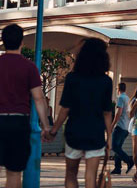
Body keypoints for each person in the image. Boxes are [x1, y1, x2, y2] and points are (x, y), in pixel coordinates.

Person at [50, 37, 113, 188]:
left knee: (71, 173)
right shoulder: (106, 81)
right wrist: (109, 136)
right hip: (95, 132)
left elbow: (65, 109)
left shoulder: (72, 78)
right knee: (90, 175)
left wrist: (53, 130)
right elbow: (107, 113)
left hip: (74, 131)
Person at [0, 23, 50, 188]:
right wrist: (46, 126)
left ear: (3, 41)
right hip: (18, 123)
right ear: (22, 42)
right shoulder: (29, 67)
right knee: (14, 173)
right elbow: (38, 98)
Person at [111, 82, 134, 176]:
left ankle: (129, 161)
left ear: (118, 89)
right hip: (126, 127)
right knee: (118, 147)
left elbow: (118, 113)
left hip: (120, 126)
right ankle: (117, 168)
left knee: (114, 146)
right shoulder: (128, 98)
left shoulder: (120, 98)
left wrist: (112, 125)